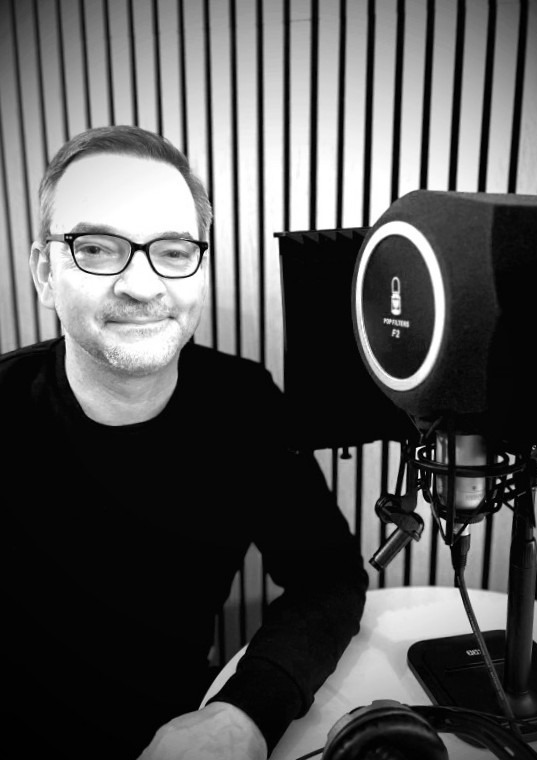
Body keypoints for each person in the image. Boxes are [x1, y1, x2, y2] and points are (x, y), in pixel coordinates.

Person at [1, 125, 368, 760]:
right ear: (44, 272)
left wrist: (245, 713)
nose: (143, 286)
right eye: (97, 248)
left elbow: (329, 577)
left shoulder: (245, 405)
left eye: (173, 251)